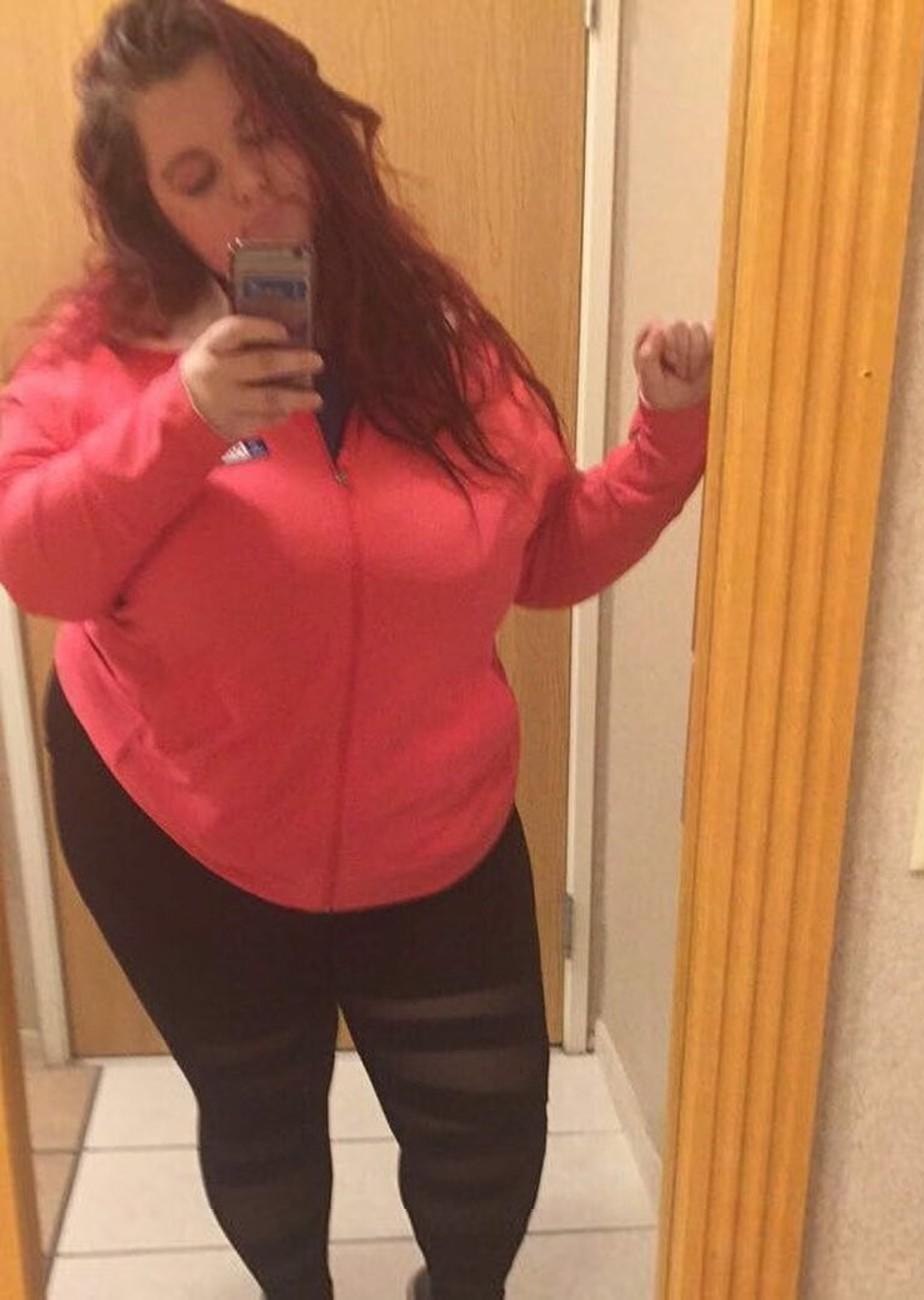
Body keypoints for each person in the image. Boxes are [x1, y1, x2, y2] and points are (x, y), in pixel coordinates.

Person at [0, 1, 713, 1297]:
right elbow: (36, 560)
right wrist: (184, 418)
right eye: (194, 173)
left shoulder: (445, 343)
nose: (248, 183)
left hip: (433, 832)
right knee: (260, 1116)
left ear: (313, 126)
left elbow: (544, 559)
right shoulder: (102, 365)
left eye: (259, 132)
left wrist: (664, 442)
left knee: (489, 1145)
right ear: (152, 208)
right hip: (183, 830)